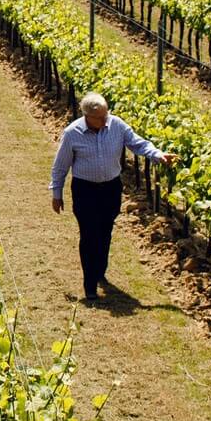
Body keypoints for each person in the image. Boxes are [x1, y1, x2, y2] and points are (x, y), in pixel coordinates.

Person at [50, 92, 177, 304]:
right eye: (100, 117)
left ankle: (99, 270)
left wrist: (158, 155)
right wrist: (57, 193)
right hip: (85, 190)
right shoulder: (72, 133)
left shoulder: (115, 125)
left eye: (106, 115)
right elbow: (60, 166)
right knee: (89, 234)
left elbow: (137, 143)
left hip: (110, 188)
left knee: (106, 230)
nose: (105, 119)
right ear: (87, 116)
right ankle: (90, 285)